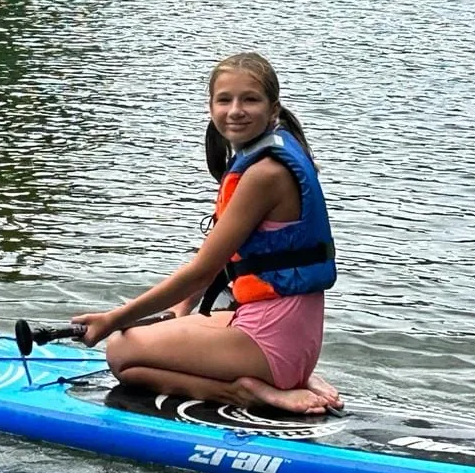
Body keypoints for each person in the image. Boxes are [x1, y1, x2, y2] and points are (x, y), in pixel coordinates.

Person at [73, 52, 341, 414]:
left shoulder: (264, 175)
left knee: (121, 351)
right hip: (292, 337)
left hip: (270, 342)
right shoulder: (273, 152)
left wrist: (112, 320)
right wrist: (180, 309)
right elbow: (228, 260)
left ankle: (247, 391)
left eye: (250, 100)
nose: (235, 111)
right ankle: (292, 375)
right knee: (142, 348)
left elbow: (202, 271)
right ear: (211, 106)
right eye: (224, 100)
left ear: (272, 108)